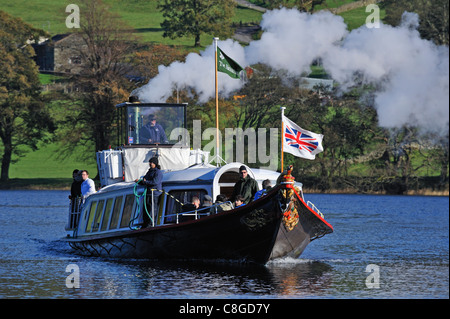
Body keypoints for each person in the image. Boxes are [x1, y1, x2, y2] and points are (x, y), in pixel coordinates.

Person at [135, 156, 163, 227]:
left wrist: (145, 182)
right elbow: (145, 180)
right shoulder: (149, 172)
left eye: (151, 162)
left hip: (155, 194)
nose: (150, 164)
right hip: (148, 194)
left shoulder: (158, 172)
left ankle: (151, 224)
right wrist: (139, 182)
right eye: (150, 162)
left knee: (152, 210)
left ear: (155, 164)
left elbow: (155, 182)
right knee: (146, 209)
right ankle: (145, 224)